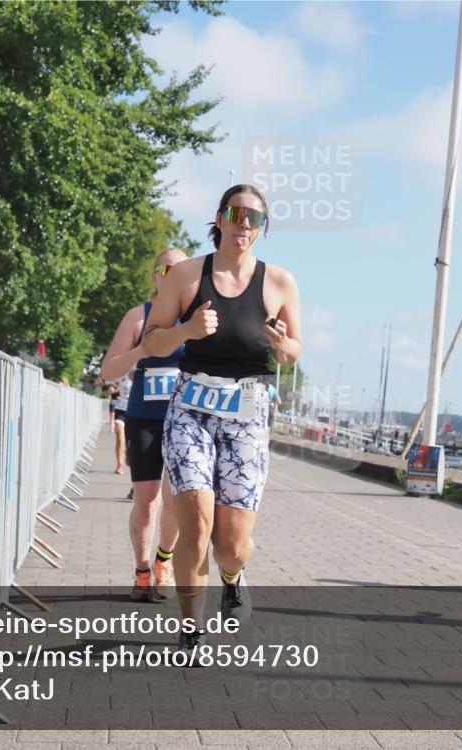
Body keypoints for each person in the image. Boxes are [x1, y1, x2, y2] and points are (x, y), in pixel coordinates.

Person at [141, 184, 301, 656]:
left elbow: (294, 351)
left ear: (262, 227)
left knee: (231, 543)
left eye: (255, 218)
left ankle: (233, 576)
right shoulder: (188, 276)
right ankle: (192, 632)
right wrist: (186, 331)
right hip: (190, 410)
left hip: (247, 417)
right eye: (237, 214)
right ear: (220, 218)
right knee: (195, 524)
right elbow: (151, 342)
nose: (245, 224)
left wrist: (281, 343)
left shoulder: (280, 283)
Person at [101, 249, 187, 601]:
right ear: (155, 276)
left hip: (184, 421)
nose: (173, 274)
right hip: (144, 419)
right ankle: (141, 569)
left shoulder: (197, 319)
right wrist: (140, 352)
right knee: (148, 500)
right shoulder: (139, 316)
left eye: (182, 269)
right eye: (167, 268)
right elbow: (108, 370)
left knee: (176, 500)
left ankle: (163, 560)